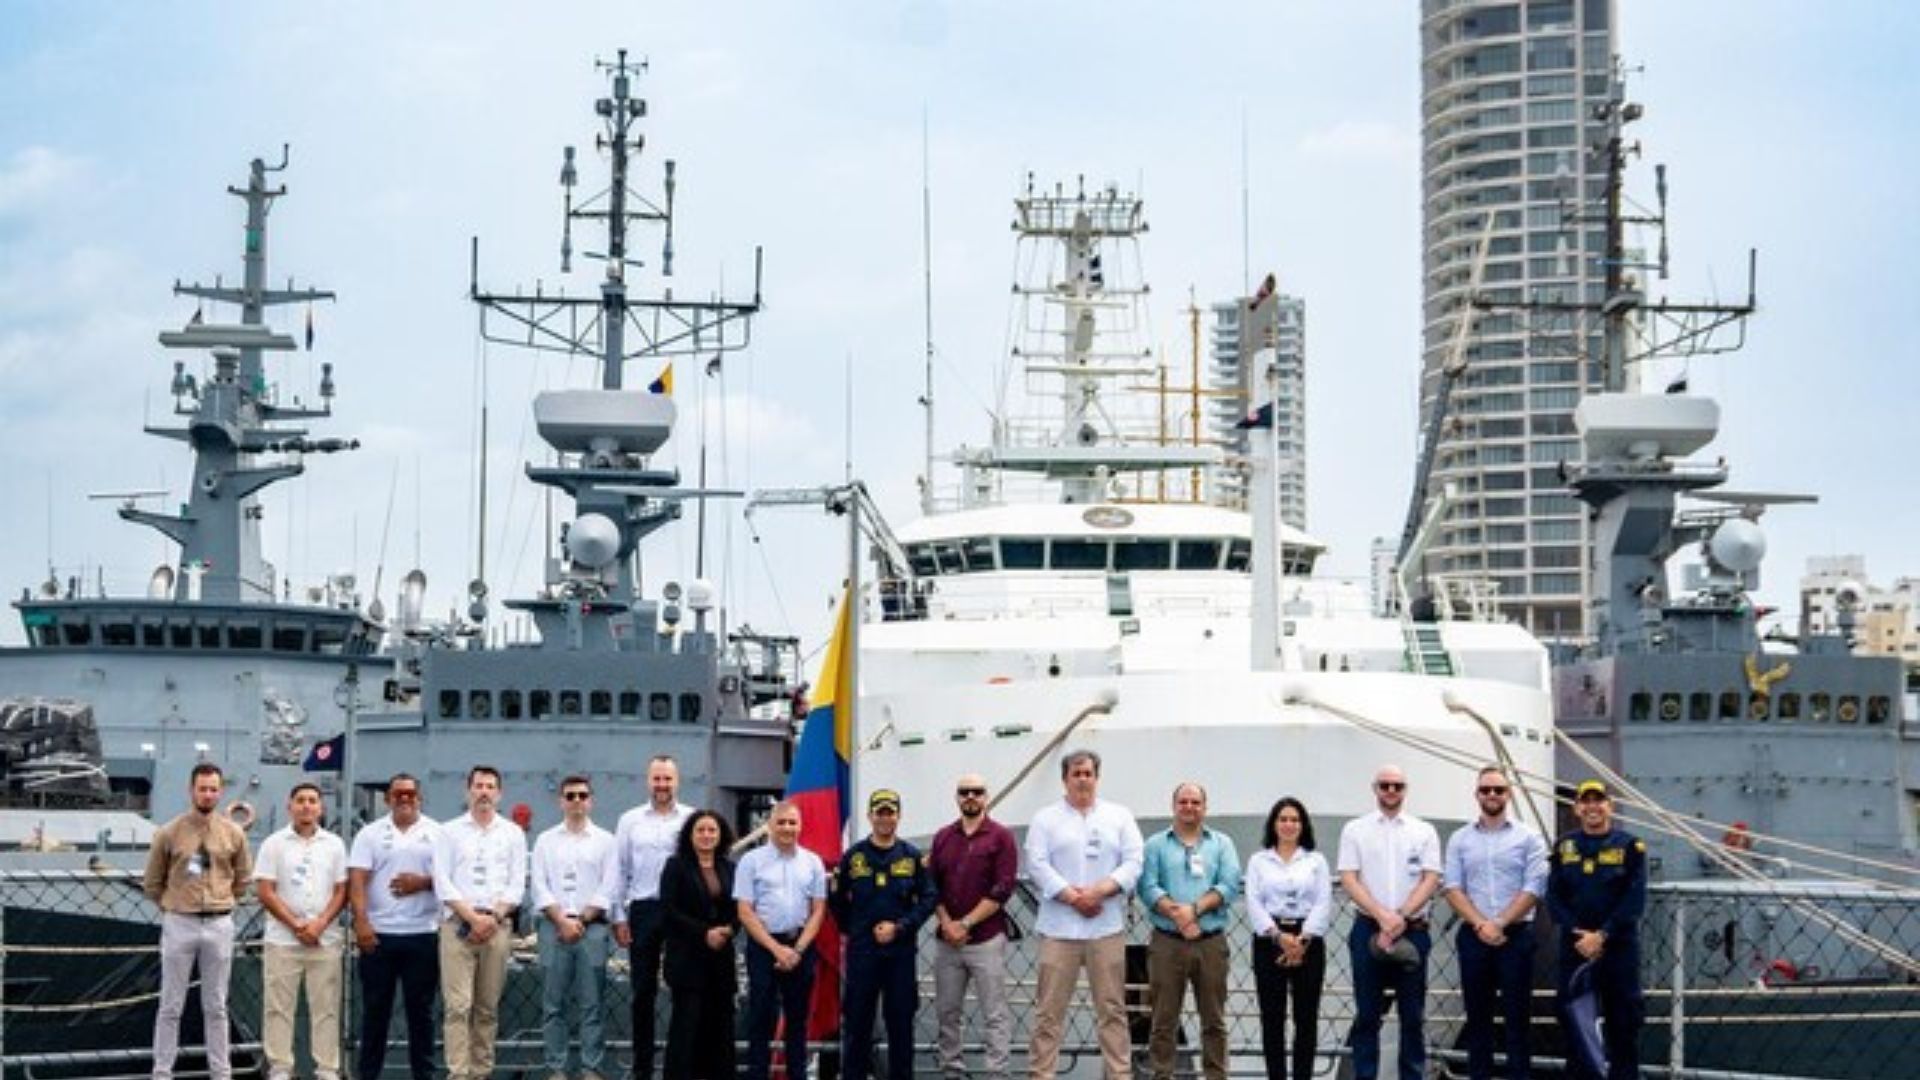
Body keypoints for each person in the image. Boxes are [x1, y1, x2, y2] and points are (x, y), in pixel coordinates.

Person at [1024, 748, 1145, 1080]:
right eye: (1076, 774)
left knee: (1113, 1011)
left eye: (1088, 773)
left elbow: (1134, 861)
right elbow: (1036, 863)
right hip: (1059, 929)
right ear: (1065, 779)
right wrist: (1071, 896)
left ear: (1097, 777)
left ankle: (1119, 1075)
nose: (1082, 779)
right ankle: (1041, 1075)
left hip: (1104, 928)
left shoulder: (1119, 816)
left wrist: (1100, 891)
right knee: (1048, 1013)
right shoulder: (1044, 819)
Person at [143, 762, 253, 1080]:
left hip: (219, 923)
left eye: (213, 789)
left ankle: (221, 1073)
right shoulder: (169, 833)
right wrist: (173, 905)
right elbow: (152, 881)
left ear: (220, 792)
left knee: (216, 1005)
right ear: (191, 790)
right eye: (202, 788)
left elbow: (243, 877)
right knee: (170, 1004)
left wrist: (223, 900)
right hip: (180, 922)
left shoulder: (233, 833)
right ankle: (162, 1072)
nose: (208, 794)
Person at [1336, 764, 1442, 1080]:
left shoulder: (1424, 830)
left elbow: (1431, 877)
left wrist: (1401, 916)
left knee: (1412, 1017)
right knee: (1367, 1016)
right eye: (1385, 785)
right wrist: (1383, 916)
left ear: (1405, 789)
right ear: (1375, 789)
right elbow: (1348, 877)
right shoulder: (1354, 829)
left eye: (1397, 786)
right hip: (1368, 928)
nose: (1391, 791)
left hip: (1414, 931)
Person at [1443, 765, 1549, 1080]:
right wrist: (1482, 925)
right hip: (1474, 936)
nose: (1492, 795)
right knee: (1478, 1022)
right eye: (1486, 790)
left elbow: (1534, 888)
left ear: (1509, 793)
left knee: (1518, 1021)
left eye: (1498, 790)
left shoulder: (1529, 837)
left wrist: (1500, 923)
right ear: (1477, 794)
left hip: (1515, 936)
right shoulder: (1460, 839)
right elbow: (1452, 887)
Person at [1139, 782, 1241, 1080]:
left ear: (1205, 807)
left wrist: (1193, 910)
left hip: (1210, 942)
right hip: (1167, 942)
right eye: (1183, 801)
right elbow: (1147, 886)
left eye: (1195, 802)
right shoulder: (1155, 845)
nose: (1189, 807)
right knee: (1163, 1020)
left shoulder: (1222, 843)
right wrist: (1179, 915)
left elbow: (1229, 883)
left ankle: (1216, 1076)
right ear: (1174, 806)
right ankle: (1162, 1075)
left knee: (1214, 1021)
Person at [833, 789, 937, 1080]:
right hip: (863, 955)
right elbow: (837, 901)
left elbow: (929, 898)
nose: (885, 817)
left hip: (900, 955)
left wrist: (901, 927)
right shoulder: (853, 857)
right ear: (870, 816)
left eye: (890, 812)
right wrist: (857, 930)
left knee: (901, 1026)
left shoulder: (911, 857)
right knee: (857, 1026)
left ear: (899, 816)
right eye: (879, 812)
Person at [1545, 780, 1647, 1080]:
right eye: (1585, 801)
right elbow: (1554, 897)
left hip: (1618, 949)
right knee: (1576, 1022)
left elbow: (1634, 899)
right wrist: (1582, 935)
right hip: (1575, 949)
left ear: (1610, 806)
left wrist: (1602, 935)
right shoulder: (1564, 847)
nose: (1592, 806)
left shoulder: (1630, 846)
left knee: (1623, 1023)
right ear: (1576, 808)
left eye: (1598, 800)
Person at [434, 765, 528, 1080]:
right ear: (468, 790)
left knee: (487, 1007)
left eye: (490, 786)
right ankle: (458, 1073)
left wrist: (493, 917)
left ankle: (481, 1072)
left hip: (497, 927)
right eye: (478, 786)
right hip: (457, 926)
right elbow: (442, 880)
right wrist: (472, 917)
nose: (484, 792)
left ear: (499, 793)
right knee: (458, 1007)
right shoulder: (448, 832)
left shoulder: (513, 834)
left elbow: (516, 884)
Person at [349, 773, 442, 1080]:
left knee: (422, 1014)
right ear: (388, 798)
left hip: (423, 933)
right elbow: (358, 880)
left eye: (410, 793)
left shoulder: (438, 834)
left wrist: (423, 883)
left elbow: (450, 878)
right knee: (375, 1012)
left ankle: (424, 1076)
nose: (405, 798)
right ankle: (368, 1075)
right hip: (380, 936)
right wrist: (361, 923)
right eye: (398, 793)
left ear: (420, 798)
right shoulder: (370, 835)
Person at [254, 782, 349, 1080]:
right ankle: (281, 1068)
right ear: (290, 806)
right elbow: (266, 891)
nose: (306, 806)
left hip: (325, 940)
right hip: (283, 941)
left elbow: (341, 890)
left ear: (320, 807)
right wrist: (296, 925)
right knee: (278, 1008)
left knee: (327, 1008)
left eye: (312, 801)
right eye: (300, 800)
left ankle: (327, 1069)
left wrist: (320, 924)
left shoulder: (334, 845)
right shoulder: (273, 844)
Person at [927, 772, 1019, 1080]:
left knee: (995, 1013)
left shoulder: (1002, 837)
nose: (970, 797)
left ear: (986, 796)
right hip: (947, 942)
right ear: (957, 797)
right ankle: (952, 1071)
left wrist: (964, 923)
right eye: (964, 792)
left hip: (986, 940)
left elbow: (1003, 888)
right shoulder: (942, 837)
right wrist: (946, 922)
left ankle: (997, 1074)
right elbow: (931, 887)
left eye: (976, 792)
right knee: (947, 1013)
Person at [531, 775, 620, 1080]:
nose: (577, 801)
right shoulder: (544, 840)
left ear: (591, 800)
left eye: (582, 795)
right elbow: (540, 886)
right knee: (552, 1004)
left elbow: (609, 887)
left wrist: (579, 921)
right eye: (570, 796)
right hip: (552, 927)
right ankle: (556, 1068)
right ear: (561, 801)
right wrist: (561, 920)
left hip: (591, 929)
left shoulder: (607, 842)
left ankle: (590, 1068)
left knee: (591, 1004)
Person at [613, 755, 695, 1080]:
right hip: (644, 909)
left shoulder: (690, 819)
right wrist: (619, 916)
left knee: (683, 990)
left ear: (678, 781)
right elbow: (619, 869)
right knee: (642, 992)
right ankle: (642, 1068)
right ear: (648, 781)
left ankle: (679, 1066)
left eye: (668, 779)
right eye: (657, 779)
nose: (662, 785)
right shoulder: (629, 821)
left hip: (681, 912)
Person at [735, 800, 829, 1080]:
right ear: (770, 826)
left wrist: (797, 950)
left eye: (792, 822)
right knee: (760, 1019)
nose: (787, 828)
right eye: (781, 822)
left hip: (800, 947)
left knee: (798, 1021)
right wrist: (776, 949)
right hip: (764, 947)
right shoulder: (751, 861)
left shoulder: (813, 862)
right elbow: (744, 910)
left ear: (800, 826)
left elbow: (819, 910)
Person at [1243, 797, 1331, 1080]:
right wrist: (1279, 937)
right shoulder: (1258, 861)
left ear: (1303, 825)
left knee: (1306, 1019)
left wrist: (1302, 940)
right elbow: (1254, 901)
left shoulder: (1316, 860)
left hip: (1309, 941)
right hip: (1270, 940)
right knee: (1272, 1018)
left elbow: (1323, 900)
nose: (1289, 824)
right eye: (1283, 819)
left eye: (1294, 819)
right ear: (1274, 824)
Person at [660, 810, 742, 1080]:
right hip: (687, 959)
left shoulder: (730, 868)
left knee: (720, 1028)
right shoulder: (676, 866)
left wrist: (728, 929)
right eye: (701, 830)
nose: (707, 836)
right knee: (686, 1027)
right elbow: (669, 910)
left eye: (712, 831)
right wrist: (704, 933)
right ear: (690, 835)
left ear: (721, 836)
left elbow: (739, 908)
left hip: (720, 960)